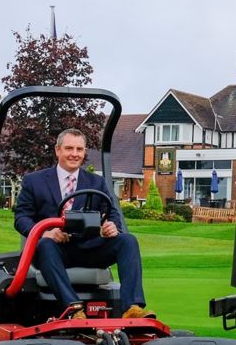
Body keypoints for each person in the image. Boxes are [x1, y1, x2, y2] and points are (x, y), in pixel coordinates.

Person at [14, 128, 154, 320]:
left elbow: (111, 212)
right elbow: (21, 218)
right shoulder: (34, 181)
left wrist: (112, 226)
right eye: (69, 148)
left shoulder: (97, 183)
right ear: (57, 150)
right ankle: (73, 309)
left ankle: (131, 307)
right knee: (45, 245)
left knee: (128, 241)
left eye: (79, 149)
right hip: (54, 250)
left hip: (90, 248)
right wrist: (45, 232)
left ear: (84, 152)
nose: (74, 154)